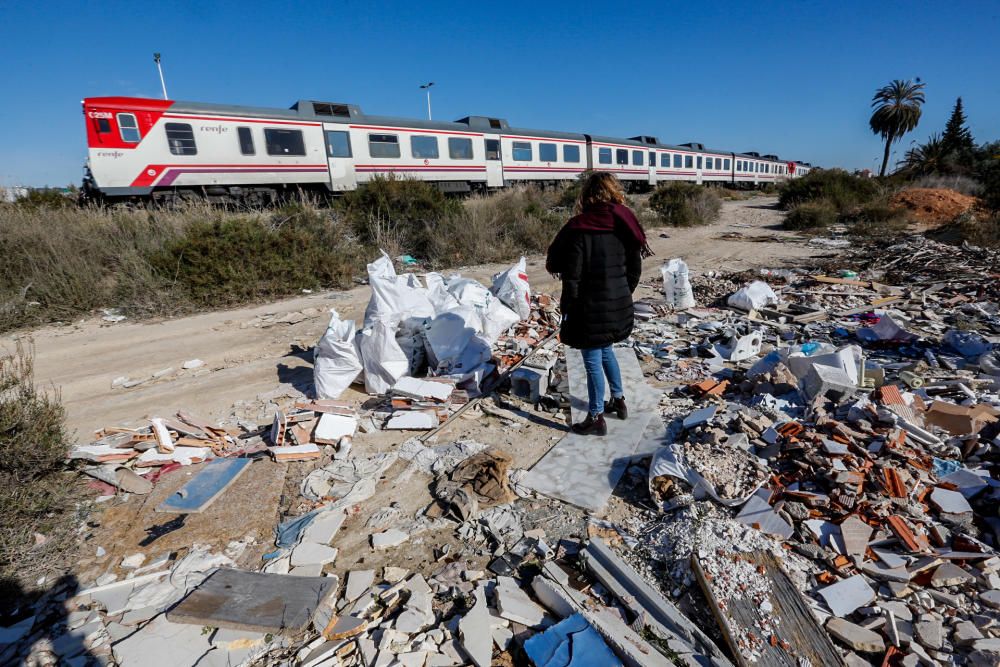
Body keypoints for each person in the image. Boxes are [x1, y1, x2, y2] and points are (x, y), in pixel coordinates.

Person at [545, 172, 652, 436]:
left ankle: (595, 417)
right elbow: (635, 268)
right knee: (606, 350)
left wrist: (567, 309)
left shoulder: (580, 227)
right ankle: (618, 400)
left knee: (592, 360)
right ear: (614, 191)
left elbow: (571, 277)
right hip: (618, 306)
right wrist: (622, 294)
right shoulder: (626, 222)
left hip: (589, 309)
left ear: (587, 194)